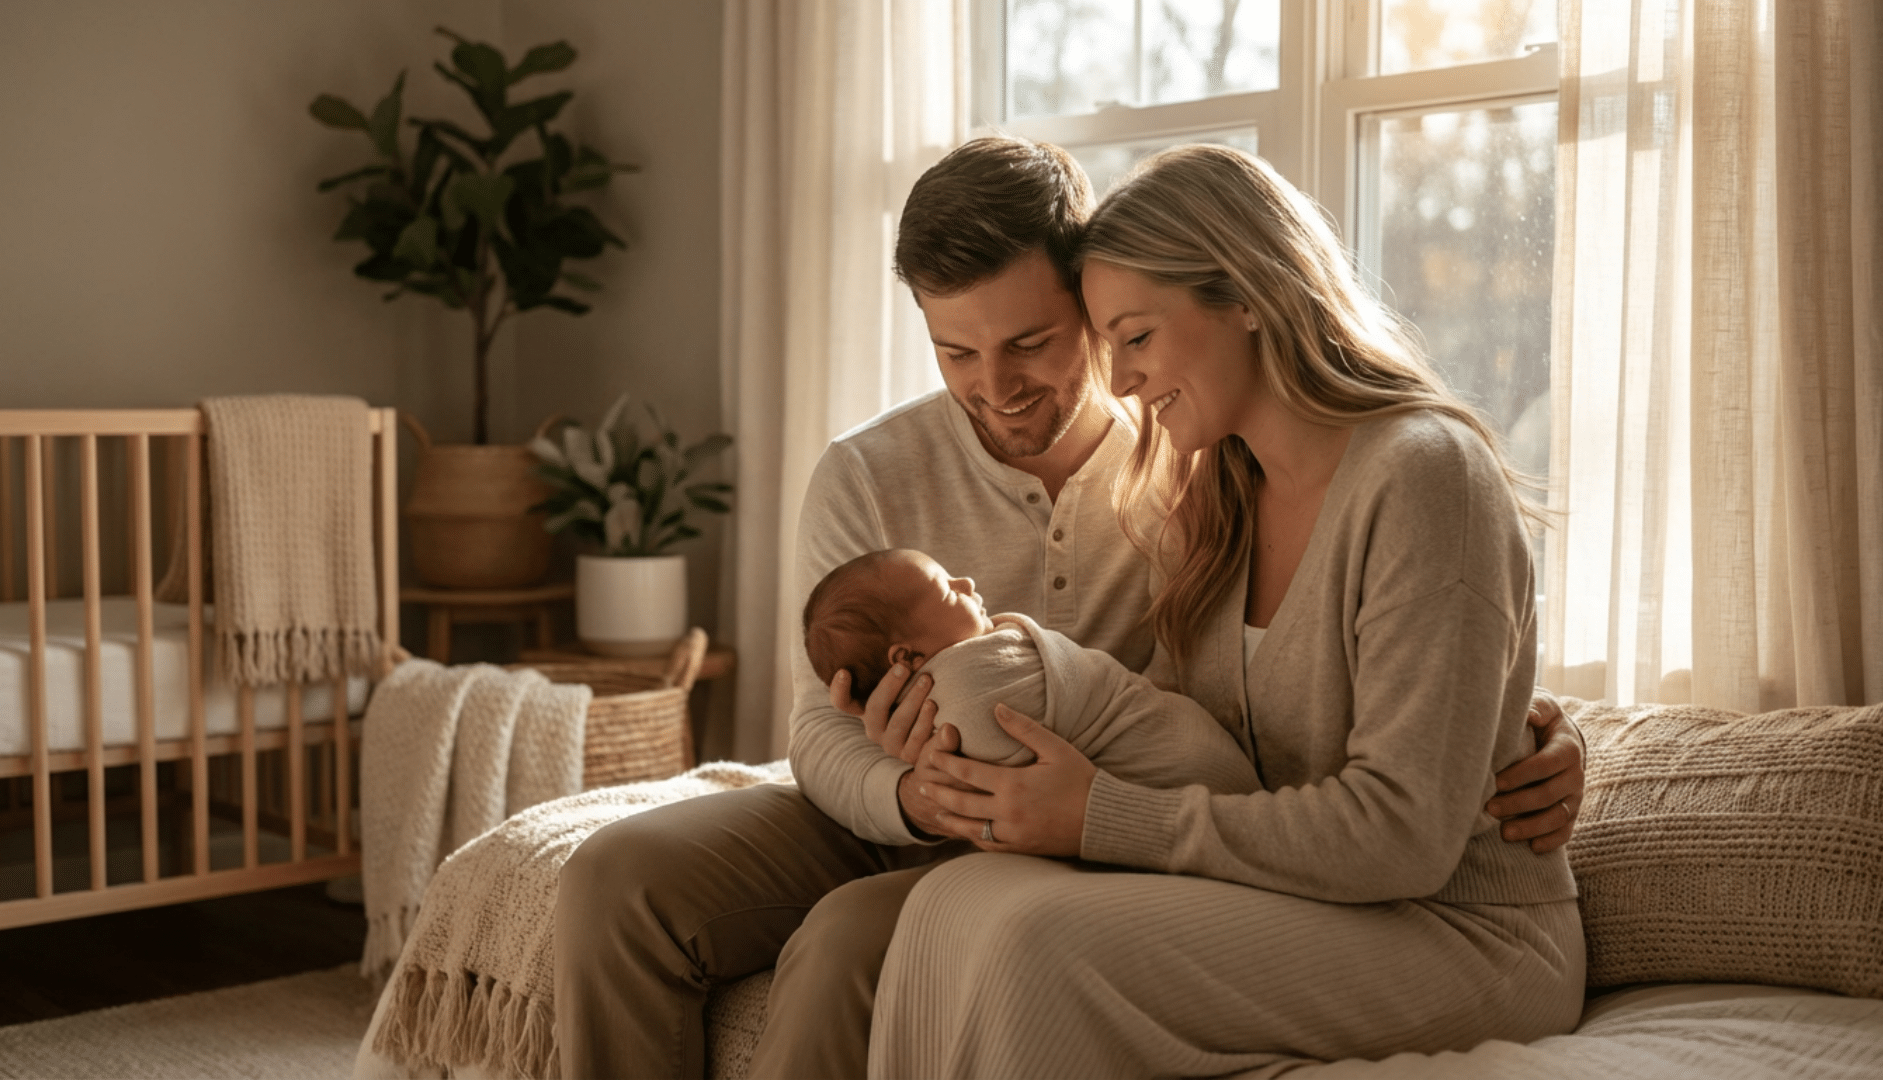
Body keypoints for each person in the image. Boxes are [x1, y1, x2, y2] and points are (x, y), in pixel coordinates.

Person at [553, 136, 1586, 1080]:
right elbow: (825, 729)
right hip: (965, 816)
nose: (996, 387)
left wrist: (1535, 727)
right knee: (631, 880)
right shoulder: (1219, 475)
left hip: (1351, 892)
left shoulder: (1227, 466)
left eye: (1060, 341)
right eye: (956, 352)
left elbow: (1393, 770)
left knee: (947, 938)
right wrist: (916, 794)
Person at [864, 143, 1587, 1079]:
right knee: (953, 904)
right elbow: (1180, 741)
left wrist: (1100, 820)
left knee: (1037, 942)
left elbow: (1406, 834)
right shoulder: (1218, 494)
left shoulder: (1422, 473)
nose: (1118, 382)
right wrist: (968, 714)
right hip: (1314, 902)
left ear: (1247, 293)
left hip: (1463, 930)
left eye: (1135, 337)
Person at [804, 548, 1259, 792]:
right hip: (1189, 774)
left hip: (1186, 768)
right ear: (905, 659)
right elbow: (998, 772)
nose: (968, 583)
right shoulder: (974, 682)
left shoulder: (971, 674)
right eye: (948, 591)